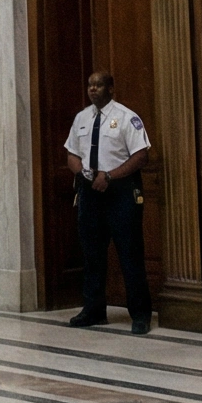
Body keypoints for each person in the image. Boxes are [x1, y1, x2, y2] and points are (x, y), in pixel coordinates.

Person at [63, 69, 153, 333]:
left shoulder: (127, 118)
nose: (93, 89)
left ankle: (140, 315)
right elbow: (71, 153)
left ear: (111, 89)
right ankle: (93, 310)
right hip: (90, 193)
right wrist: (81, 172)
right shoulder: (81, 118)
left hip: (121, 193)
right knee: (92, 255)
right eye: (90, 85)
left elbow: (141, 156)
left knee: (130, 254)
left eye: (99, 85)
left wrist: (111, 176)